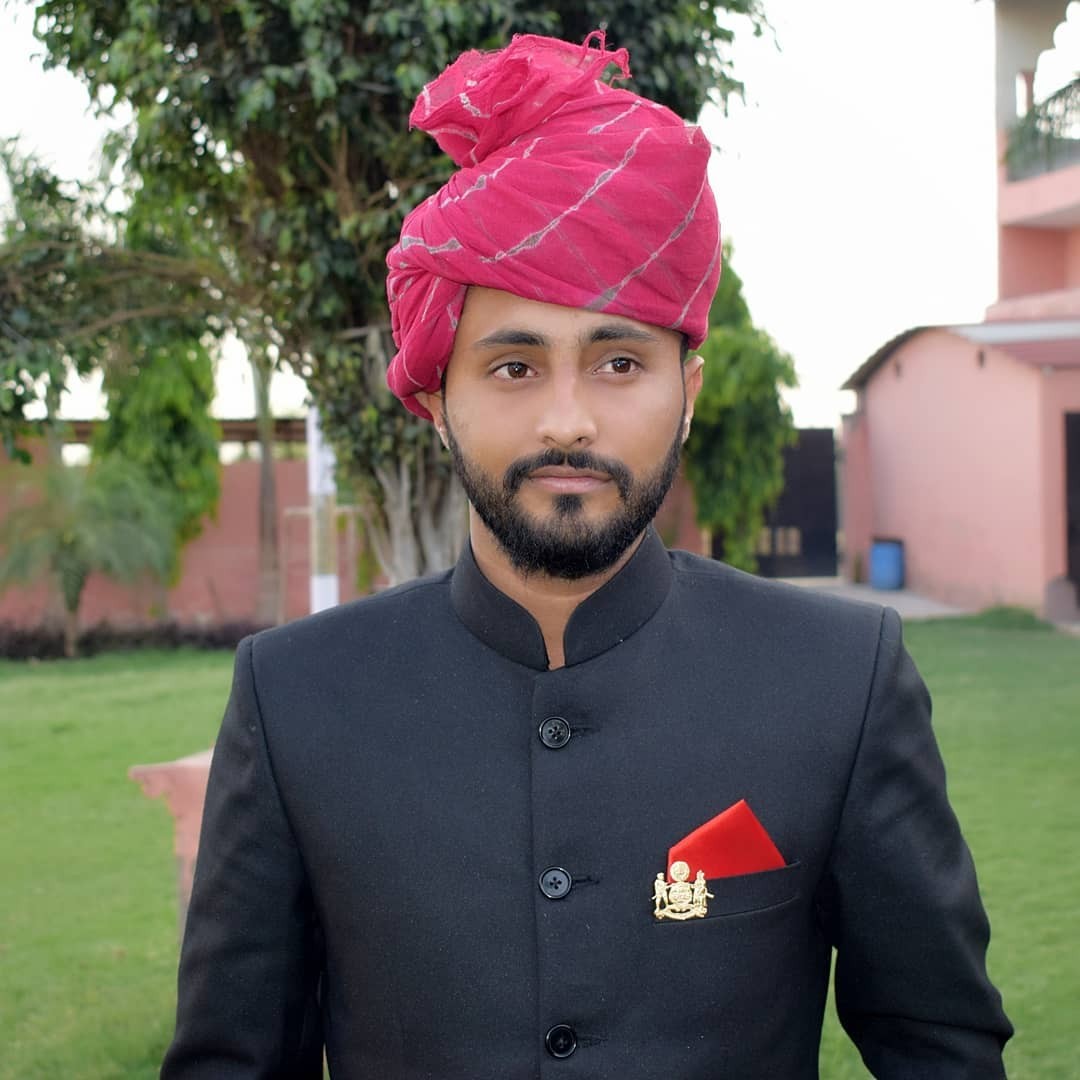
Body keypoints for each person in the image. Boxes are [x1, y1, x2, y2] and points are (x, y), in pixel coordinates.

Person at [161, 31, 1011, 1079]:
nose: (568, 418)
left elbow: (941, 1050)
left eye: (618, 361)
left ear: (687, 393)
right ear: (436, 398)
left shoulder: (840, 681)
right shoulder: (296, 697)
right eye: (514, 367)